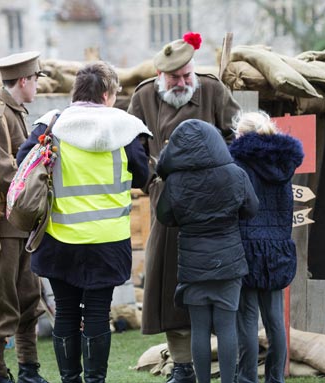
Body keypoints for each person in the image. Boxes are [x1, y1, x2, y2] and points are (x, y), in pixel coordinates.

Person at [16, 62, 151, 383]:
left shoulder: (49, 125)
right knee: (96, 313)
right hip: (108, 239)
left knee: (65, 310)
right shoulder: (123, 128)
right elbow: (144, 176)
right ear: (106, 94)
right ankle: (95, 381)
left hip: (58, 237)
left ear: (77, 92)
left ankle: (70, 380)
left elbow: (23, 164)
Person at [127, 31, 241, 383]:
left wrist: (217, 176)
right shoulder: (144, 95)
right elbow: (132, 150)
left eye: (187, 75)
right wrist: (153, 181)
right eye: (175, 78)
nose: (182, 82)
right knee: (168, 285)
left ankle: (226, 361)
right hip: (168, 209)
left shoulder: (213, 90)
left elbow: (238, 137)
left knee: (219, 282)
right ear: (161, 76)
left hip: (213, 208)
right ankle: (182, 364)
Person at [155, 118, 258, 383]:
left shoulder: (176, 181)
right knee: (226, 327)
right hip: (229, 262)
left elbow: (165, 216)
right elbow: (251, 208)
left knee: (199, 328)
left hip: (193, 264)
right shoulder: (235, 173)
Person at [0, 51, 48, 383]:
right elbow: (2, 175)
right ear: (23, 81)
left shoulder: (13, 113)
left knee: (29, 301)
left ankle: (29, 371)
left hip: (19, 225)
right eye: (34, 80)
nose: (36, 86)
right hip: (0, 226)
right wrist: (40, 176)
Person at [228, 111, 303, 383]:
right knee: (276, 321)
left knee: (246, 319)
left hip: (245, 247)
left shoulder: (236, 162)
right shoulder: (285, 163)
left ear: (241, 135)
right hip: (278, 248)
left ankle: (246, 379)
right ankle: (275, 379)